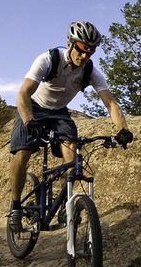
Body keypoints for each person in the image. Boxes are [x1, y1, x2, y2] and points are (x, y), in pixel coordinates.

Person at [8, 20, 133, 230]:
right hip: (33, 107)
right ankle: (16, 207)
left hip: (59, 113)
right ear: (69, 44)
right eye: (82, 49)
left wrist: (123, 129)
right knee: (22, 152)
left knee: (72, 149)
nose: (84, 56)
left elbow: (110, 103)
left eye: (90, 52)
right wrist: (29, 121)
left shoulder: (90, 71)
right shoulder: (48, 59)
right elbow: (23, 93)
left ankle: (67, 203)